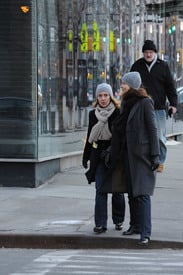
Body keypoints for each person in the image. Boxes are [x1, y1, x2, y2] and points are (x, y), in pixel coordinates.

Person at [110, 72, 160, 244]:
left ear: (132, 85)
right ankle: (135, 226)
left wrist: (155, 155)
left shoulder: (145, 103)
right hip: (127, 154)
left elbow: (153, 130)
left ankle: (145, 233)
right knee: (131, 192)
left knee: (142, 194)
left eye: (124, 83)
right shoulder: (125, 103)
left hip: (142, 155)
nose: (122, 86)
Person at [82, 83, 125, 234]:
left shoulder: (118, 113)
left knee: (117, 191)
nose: (103, 98)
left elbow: (122, 137)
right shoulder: (93, 114)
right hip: (99, 157)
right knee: (100, 189)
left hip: (115, 157)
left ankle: (118, 219)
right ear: (97, 98)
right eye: (100, 95)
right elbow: (89, 136)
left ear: (111, 96)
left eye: (106, 95)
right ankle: (100, 224)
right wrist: (85, 156)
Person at [130, 40, 177, 173]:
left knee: (159, 137)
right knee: (142, 135)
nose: (148, 55)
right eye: (146, 52)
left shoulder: (163, 66)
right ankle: (145, 160)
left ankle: (160, 161)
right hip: (140, 107)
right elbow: (130, 86)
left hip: (158, 108)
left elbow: (170, 87)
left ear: (155, 53)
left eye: (151, 52)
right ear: (143, 53)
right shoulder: (137, 66)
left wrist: (173, 104)